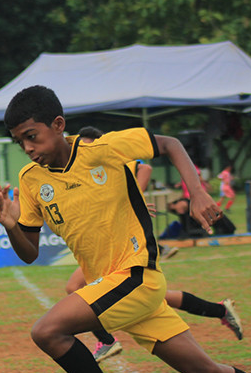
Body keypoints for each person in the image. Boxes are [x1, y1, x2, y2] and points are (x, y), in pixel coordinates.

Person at [0, 85, 251, 373]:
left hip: (137, 277)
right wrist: (10, 227)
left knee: (47, 331)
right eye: (20, 142)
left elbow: (168, 143)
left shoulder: (101, 150)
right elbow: (29, 252)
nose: (29, 148)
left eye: (32, 137)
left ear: (58, 124)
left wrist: (198, 192)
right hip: (117, 292)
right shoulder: (32, 179)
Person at [64, 127, 241, 361]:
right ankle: (220, 309)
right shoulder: (89, 173)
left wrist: (134, 196)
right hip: (111, 249)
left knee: (75, 287)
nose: (83, 150)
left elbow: (146, 166)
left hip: (127, 247)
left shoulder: (110, 156)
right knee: (154, 299)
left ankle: (106, 340)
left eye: (87, 144)